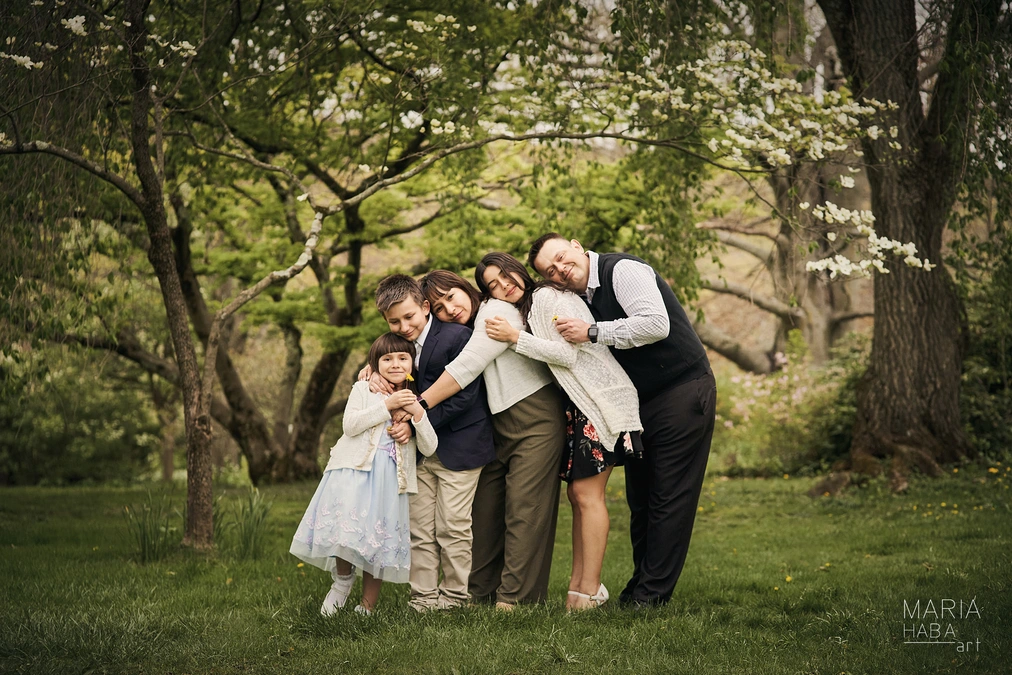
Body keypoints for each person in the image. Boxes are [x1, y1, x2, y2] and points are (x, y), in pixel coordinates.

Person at [527, 233, 717, 607]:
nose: (561, 269)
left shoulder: (622, 270)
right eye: (551, 271)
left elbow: (655, 324)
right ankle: (638, 589)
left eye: (562, 257)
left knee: (668, 496)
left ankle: (651, 596)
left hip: (682, 389)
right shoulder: (579, 297)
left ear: (577, 245)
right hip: (641, 402)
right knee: (641, 499)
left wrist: (593, 332)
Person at [478, 253, 643, 611]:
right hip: (582, 404)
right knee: (580, 496)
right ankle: (579, 592)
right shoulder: (533, 304)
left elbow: (567, 355)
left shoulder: (545, 296)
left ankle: (589, 590)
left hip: (601, 399)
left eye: (505, 275)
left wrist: (515, 337)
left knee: (587, 496)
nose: (504, 285)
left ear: (518, 271)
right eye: (493, 285)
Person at [413, 269, 566, 609]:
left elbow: (467, 367)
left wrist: (418, 406)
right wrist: (373, 367)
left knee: (525, 509)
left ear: (464, 287)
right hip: (497, 427)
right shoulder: (460, 329)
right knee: (484, 511)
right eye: (439, 308)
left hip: (535, 418)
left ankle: (515, 599)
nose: (449, 309)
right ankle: (479, 592)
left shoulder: (494, 312)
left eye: (450, 297)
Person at [289, 333, 435, 616]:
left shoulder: (415, 398)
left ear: (412, 363)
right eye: (387, 359)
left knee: (377, 540)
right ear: (375, 364)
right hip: (355, 474)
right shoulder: (364, 388)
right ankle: (343, 580)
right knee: (346, 531)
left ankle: (367, 606)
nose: (395, 364)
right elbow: (350, 425)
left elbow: (430, 447)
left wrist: (416, 416)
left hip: (389, 481)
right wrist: (387, 406)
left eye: (403, 358)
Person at [375, 274, 495, 611]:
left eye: (409, 316)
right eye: (394, 321)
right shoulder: (396, 345)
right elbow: (382, 364)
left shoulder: (457, 336)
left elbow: (464, 397)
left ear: (425, 307)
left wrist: (415, 425)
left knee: (453, 526)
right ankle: (423, 597)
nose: (404, 326)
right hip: (419, 455)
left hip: (460, 446)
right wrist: (369, 373)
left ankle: (455, 596)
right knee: (419, 529)